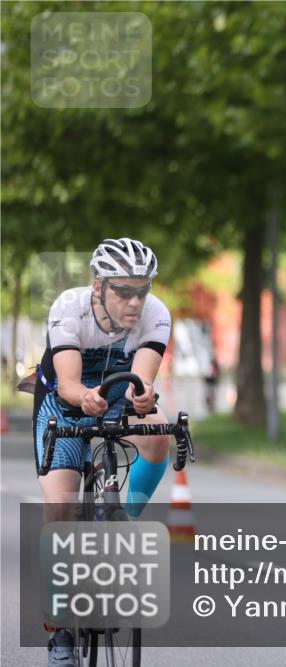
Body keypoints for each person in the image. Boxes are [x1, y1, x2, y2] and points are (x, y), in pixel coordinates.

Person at [33, 238, 172, 666]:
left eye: (141, 291)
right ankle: (59, 632)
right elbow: (71, 382)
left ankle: (125, 515)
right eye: (124, 291)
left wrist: (144, 399)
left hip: (116, 392)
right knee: (59, 508)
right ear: (99, 287)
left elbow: (139, 382)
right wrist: (82, 398)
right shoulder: (68, 308)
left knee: (157, 434)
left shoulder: (156, 313)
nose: (134, 302)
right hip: (64, 396)